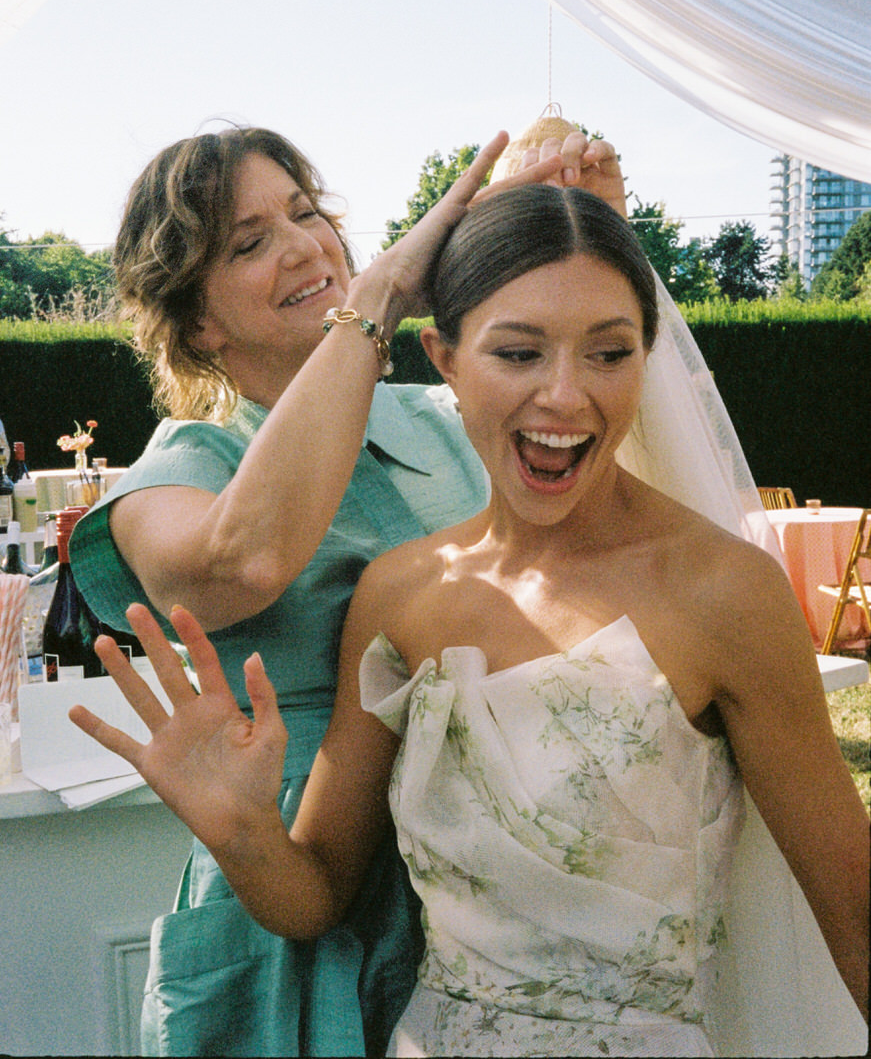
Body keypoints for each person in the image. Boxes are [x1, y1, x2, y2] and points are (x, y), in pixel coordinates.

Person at [72, 184, 869, 1058]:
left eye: (609, 353)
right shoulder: (398, 594)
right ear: (444, 360)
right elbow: (314, 895)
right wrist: (237, 825)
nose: (565, 396)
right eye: (519, 353)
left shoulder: (725, 591)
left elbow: (854, 913)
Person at [68, 122, 626, 1056]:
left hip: (499, 884)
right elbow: (242, 561)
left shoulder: (451, 417)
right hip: (294, 880)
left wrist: (580, 227)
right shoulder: (181, 469)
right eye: (249, 243)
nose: (303, 245)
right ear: (197, 320)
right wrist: (379, 300)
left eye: (304, 212)